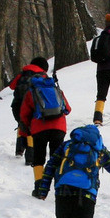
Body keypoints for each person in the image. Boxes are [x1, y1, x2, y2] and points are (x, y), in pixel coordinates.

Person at [16, 59, 70, 194]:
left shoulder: (31, 92)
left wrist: (27, 128)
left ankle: (40, 187)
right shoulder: (56, 89)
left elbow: (24, 114)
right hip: (59, 128)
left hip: (39, 129)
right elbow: (68, 109)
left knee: (39, 157)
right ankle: (59, 185)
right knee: (56, 156)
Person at [7, 56, 50, 156]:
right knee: (31, 127)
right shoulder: (42, 76)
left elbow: (12, 86)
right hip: (34, 106)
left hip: (17, 106)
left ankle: (19, 149)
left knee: (22, 123)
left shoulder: (22, 73)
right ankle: (30, 154)